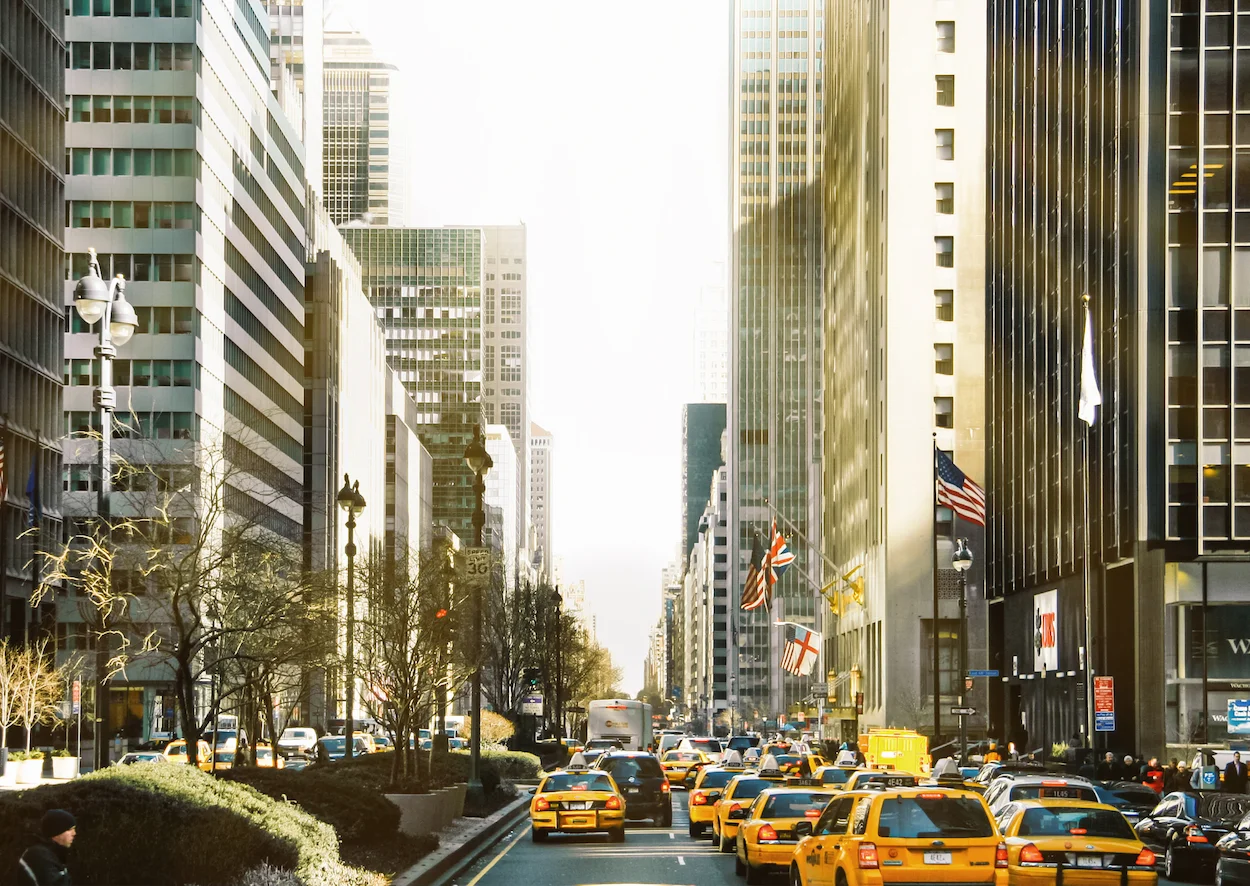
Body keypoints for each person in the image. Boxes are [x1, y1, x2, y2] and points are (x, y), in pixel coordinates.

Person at [17, 809, 75, 885]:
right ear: (56, 832)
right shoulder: (39, 856)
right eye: (70, 829)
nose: (74, 833)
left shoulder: (51, 854)